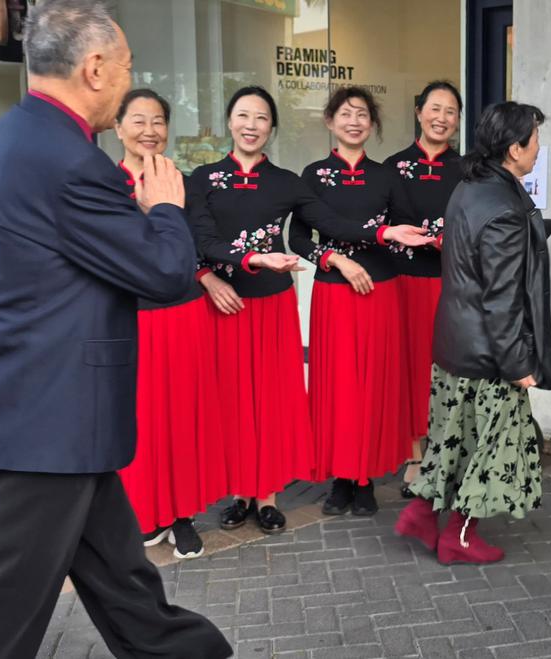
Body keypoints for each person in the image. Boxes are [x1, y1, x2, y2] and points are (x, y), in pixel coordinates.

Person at [0, 2, 231, 656]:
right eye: (126, 68)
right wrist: (166, 211)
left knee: (124, 582)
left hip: (47, 417)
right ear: (94, 68)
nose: (129, 82)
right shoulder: (75, 165)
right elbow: (163, 274)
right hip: (54, 422)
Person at [188, 86, 431, 533]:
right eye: (243, 116)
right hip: (230, 300)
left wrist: (383, 237)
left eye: (261, 118)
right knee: (235, 400)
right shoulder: (204, 179)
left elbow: (329, 225)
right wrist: (209, 276)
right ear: (229, 121)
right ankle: (242, 493)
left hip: (284, 299)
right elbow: (198, 238)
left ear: (272, 128)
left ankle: (276, 496)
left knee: (279, 398)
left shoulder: (287, 183)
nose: (251, 125)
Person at [394, 101, 551, 565]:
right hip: (490, 353)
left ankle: (423, 515)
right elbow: (502, 296)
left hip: (454, 341)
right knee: (493, 444)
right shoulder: (505, 205)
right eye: (535, 139)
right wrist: (519, 364)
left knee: (453, 437)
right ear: (514, 148)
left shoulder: (469, 186)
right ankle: (459, 536)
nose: (538, 149)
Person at [289, 86, 420, 517]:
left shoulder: (387, 177)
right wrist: (334, 259)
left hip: (381, 291)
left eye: (362, 114)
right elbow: (297, 237)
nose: (354, 121)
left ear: (372, 125)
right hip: (334, 292)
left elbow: (404, 231)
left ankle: (365, 478)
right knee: (338, 385)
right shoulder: (312, 175)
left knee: (373, 385)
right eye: (345, 114)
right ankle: (340, 478)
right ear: (330, 121)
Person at [114, 88, 232, 558]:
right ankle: (146, 512)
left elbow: (198, 244)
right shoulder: (104, 186)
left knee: (183, 415)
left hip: (184, 314)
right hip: (133, 317)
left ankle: (183, 515)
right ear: (119, 127)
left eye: (159, 121)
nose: (150, 130)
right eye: (139, 120)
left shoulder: (183, 182)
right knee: (142, 418)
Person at [383, 80, 463, 498]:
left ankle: (442, 454)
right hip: (402, 283)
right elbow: (378, 225)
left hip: (449, 286)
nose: (442, 118)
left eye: (451, 111)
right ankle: (414, 456)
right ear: (419, 112)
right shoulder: (392, 168)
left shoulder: (467, 170)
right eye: (435, 108)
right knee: (409, 369)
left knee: (444, 370)